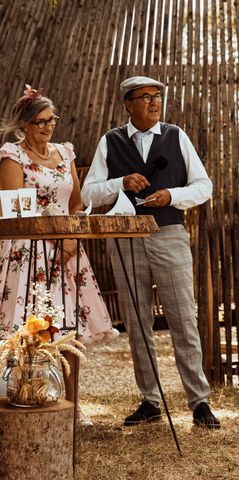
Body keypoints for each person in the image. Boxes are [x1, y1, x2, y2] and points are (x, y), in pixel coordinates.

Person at [81, 76, 219, 429]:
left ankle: (199, 402)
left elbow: (204, 186)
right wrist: (120, 183)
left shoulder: (175, 136)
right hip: (124, 237)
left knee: (183, 319)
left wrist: (172, 196)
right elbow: (88, 195)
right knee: (137, 322)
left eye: (158, 96)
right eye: (146, 97)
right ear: (129, 104)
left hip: (169, 233)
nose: (155, 102)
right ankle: (151, 401)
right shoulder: (111, 141)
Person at [0, 85, 120, 426]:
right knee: (31, 329)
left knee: (67, 328)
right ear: (24, 124)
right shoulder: (13, 156)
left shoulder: (64, 153)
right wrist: (47, 230)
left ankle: (72, 405)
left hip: (67, 251)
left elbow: (77, 203)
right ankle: (27, 396)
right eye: (39, 122)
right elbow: (13, 209)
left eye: (51, 120)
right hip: (29, 252)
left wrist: (69, 234)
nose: (47, 127)